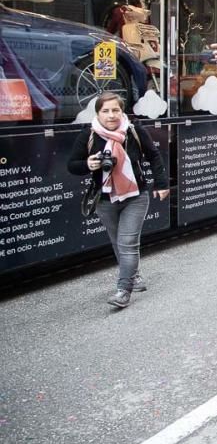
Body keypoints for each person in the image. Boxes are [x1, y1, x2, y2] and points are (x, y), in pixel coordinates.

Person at [68, 92, 169, 309]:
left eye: (116, 110)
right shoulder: (89, 135)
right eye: (105, 111)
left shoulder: (133, 131)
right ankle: (134, 275)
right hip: (104, 199)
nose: (111, 115)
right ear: (98, 113)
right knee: (117, 241)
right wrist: (88, 164)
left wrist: (161, 184)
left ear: (122, 112)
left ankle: (123, 290)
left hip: (136, 196)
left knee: (128, 243)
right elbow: (72, 165)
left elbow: (154, 156)